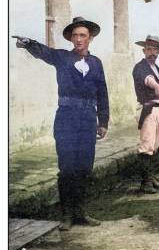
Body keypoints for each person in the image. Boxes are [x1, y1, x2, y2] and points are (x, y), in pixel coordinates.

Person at [14, 16, 109, 231]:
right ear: (71, 38)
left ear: (90, 38)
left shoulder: (96, 63)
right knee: (67, 168)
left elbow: (103, 93)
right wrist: (29, 43)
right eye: (75, 35)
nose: (78, 39)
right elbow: (44, 53)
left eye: (82, 35)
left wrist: (102, 121)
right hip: (66, 118)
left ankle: (81, 212)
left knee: (85, 167)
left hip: (87, 120)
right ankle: (66, 215)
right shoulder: (63, 58)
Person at [132, 35, 159, 194]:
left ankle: (152, 178)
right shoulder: (140, 67)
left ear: (158, 51)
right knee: (147, 146)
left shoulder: (156, 68)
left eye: (155, 49)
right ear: (144, 50)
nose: (152, 52)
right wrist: (157, 87)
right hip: (149, 109)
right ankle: (145, 183)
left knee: (155, 145)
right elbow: (148, 80)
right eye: (149, 49)